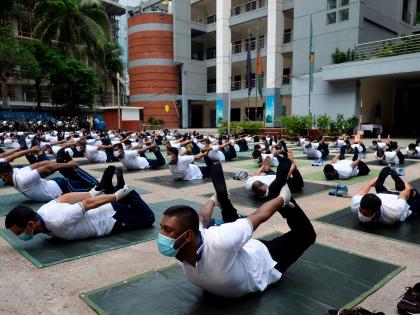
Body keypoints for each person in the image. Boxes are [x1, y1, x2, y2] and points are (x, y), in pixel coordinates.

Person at [156, 162, 316, 298]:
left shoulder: (216, 242)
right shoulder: (182, 248)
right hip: (247, 258)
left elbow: (259, 215)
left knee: (307, 235)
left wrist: (281, 199)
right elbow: (202, 219)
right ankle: (224, 202)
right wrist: (213, 200)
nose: (161, 235)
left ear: (188, 236)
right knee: (231, 235)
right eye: (162, 228)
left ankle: (276, 198)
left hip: (263, 260)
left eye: (167, 230)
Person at [5, 174, 155, 241]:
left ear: (31, 224)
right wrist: (90, 193)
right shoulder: (42, 212)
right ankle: (115, 192)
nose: (19, 237)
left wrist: (117, 195)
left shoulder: (58, 220)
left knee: (149, 219)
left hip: (111, 220)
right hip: (108, 210)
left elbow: (88, 205)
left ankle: (128, 193)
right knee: (125, 205)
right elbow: (63, 198)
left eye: (20, 233)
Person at [0, 154, 100, 202]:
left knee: (96, 187)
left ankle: (72, 168)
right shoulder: (16, 171)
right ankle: (68, 169)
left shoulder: (22, 179)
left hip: (62, 188)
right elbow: (37, 164)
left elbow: (46, 167)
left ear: (5, 176)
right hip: (54, 184)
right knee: (70, 174)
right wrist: (56, 162)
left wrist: (69, 164)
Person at [351, 166, 419, 225]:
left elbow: (404, 195)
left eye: (364, 213)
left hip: (396, 199)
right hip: (386, 196)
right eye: (361, 211)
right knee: (410, 193)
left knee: (415, 197)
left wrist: (408, 189)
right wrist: (406, 187)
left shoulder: (394, 212)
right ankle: (379, 185)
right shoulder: (356, 203)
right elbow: (368, 184)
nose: (361, 214)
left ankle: (379, 185)